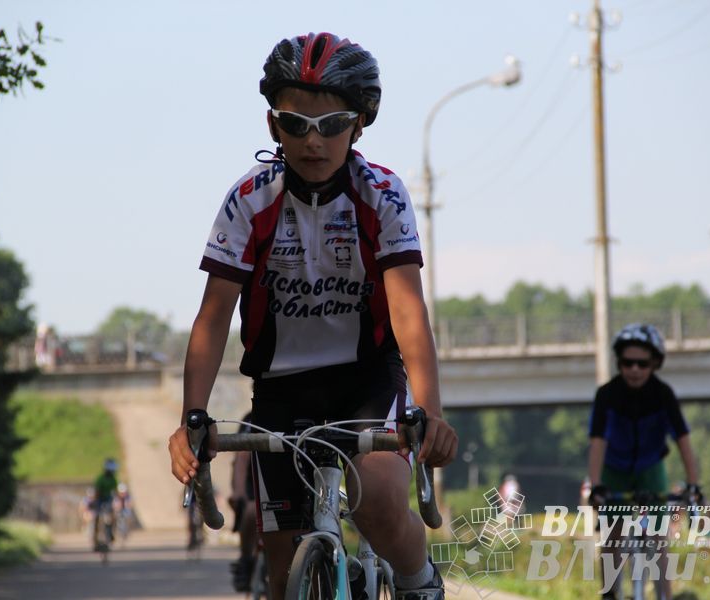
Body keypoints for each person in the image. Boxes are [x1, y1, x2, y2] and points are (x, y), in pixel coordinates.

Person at [167, 32, 458, 600]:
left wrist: (431, 411)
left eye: (332, 124)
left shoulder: (384, 196)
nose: (313, 140)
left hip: (366, 382)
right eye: (295, 123)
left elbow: (406, 309)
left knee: (376, 500)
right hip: (281, 390)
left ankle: (419, 583)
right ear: (272, 124)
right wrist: (193, 417)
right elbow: (212, 318)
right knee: (280, 578)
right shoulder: (249, 200)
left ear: (359, 126)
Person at [587, 323, 703, 600]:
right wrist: (596, 486)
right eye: (627, 363)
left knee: (657, 536)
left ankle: (664, 595)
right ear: (619, 363)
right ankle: (610, 593)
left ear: (654, 364)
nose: (635, 369)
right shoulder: (607, 395)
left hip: (651, 468)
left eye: (642, 363)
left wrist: (694, 485)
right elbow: (597, 442)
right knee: (613, 532)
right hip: (614, 469)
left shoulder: (663, 395)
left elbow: (683, 440)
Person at [228, 413, 258, 591]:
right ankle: (246, 560)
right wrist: (238, 492)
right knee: (251, 512)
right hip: (250, 483)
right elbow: (241, 458)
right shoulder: (250, 419)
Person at [92, 458, 119, 549]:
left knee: (112, 516)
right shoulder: (101, 479)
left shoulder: (113, 480)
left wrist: (116, 501)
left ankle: (111, 533)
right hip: (100, 499)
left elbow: (116, 492)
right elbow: (97, 492)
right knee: (96, 518)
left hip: (108, 499)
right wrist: (95, 502)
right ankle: (95, 541)